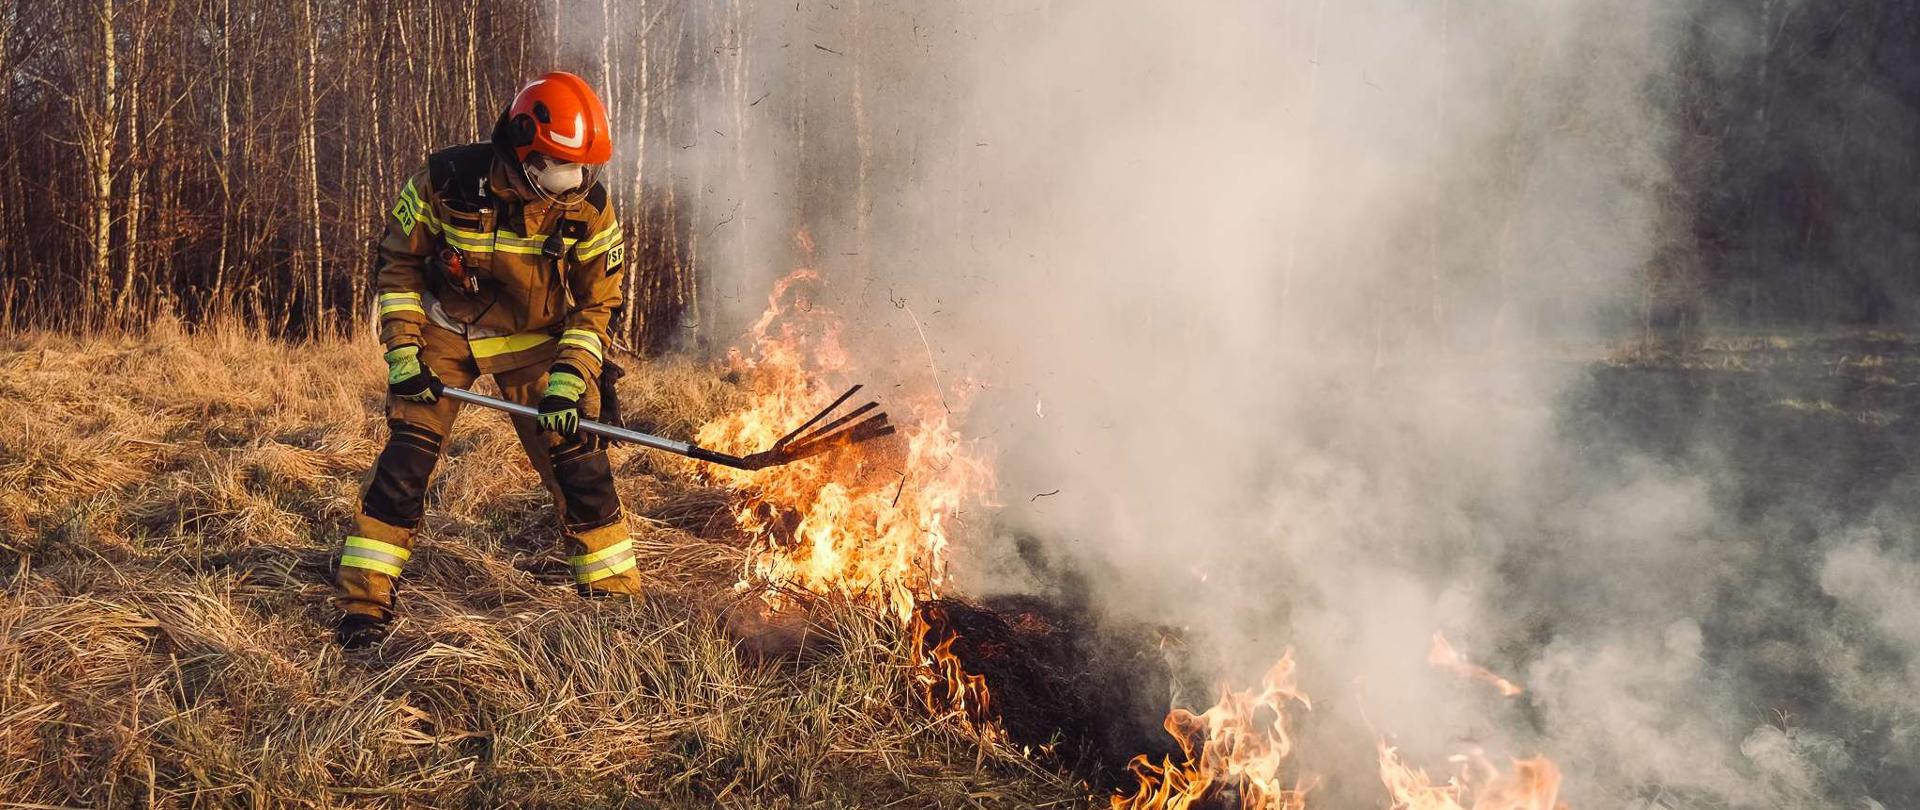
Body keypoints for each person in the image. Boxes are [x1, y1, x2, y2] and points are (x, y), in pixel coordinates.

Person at [334, 71, 639, 649]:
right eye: (560, 166)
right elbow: (397, 266)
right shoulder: (446, 180)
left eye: (583, 170)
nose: (573, 182)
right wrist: (403, 353)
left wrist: (570, 381)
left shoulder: (587, 208)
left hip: (534, 341)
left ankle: (615, 604)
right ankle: (362, 605)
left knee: (581, 466)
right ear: (524, 149)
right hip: (445, 336)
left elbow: (598, 304)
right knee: (405, 464)